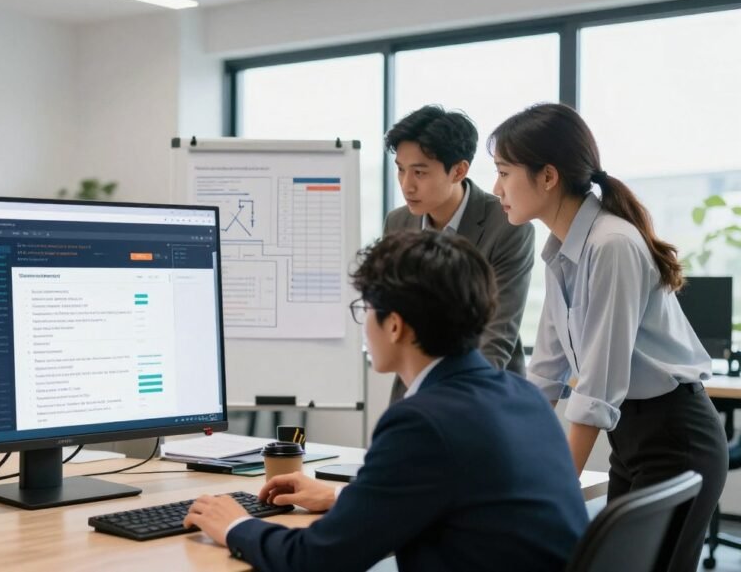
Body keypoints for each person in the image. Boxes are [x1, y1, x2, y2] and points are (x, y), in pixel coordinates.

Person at [183, 231, 588, 572]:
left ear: (394, 325)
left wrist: (234, 524)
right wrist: (344, 497)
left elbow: (317, 560)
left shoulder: (421, 422)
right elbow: (461, 499)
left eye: (366, 309)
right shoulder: (522, 396)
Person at [490, 102, 727, 572]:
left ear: (548, 176)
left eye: (503, 172)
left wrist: (549, 497)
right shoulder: (560, 252)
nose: (496, 189)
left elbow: (595, 390)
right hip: (632, 440)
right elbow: (546, 373)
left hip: (676, 438)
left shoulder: (611, 244)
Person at [383, 105, 533, 402]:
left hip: (485, 390)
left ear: (459, 170)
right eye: (400, 169)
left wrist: (452, 403)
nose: (406, 184)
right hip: (414, 391)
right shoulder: (398, 223)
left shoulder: (507, 225)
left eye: (420, 172)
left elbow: (497, 335)